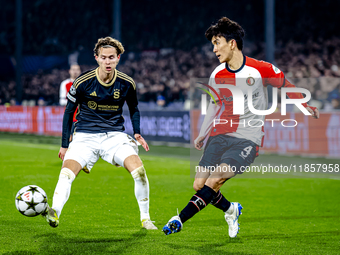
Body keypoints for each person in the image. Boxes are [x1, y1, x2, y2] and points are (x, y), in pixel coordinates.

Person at [163, 17, 319, 237]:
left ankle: (180, 219)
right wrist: (202, 133)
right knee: (200, 185)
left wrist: (305, 105)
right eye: (213, 45)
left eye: (217, 43)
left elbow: (286, 86)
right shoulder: (217, 74)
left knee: (215, 179)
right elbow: (214, 106)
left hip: (248, 137)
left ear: (232, 43)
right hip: (220, 135)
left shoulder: (259, 69)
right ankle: (231, 209)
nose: (214, 49)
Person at [42, 36, 158, 230]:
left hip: (114, 137)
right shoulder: (82, 82)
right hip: (85, 137)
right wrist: (64, 144)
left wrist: (137, 133)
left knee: (139, 172)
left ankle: (145, 218)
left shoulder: (127, 83)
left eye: (111, 57)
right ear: (96, 58)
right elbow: (69, 112)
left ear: (118, 58)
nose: (108, 62)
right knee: (66, 174)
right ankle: (55, 212)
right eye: (103, 57)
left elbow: (134, 108)